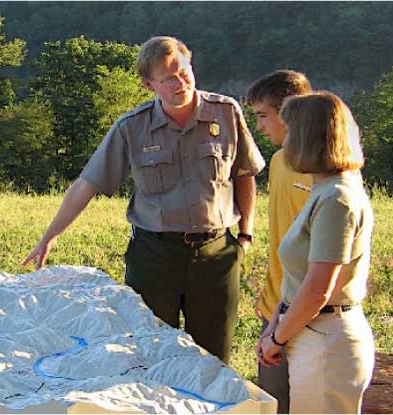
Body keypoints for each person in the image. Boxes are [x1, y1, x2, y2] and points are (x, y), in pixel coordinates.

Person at [23, 36, 265, 363]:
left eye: (184, 72)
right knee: (147, 355)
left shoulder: (225, 112)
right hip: (155, 258)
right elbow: (87, 184)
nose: (181, 83)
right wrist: (49, 236)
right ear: (149, 85)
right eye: (169, 79)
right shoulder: (132, 127)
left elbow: (245, 174)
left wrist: (246, 235)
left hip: (217, 256)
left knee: (213, 359)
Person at [257, 91, 375, 414]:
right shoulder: (324, 189)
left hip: (326, 342)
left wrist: (277, 338)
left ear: (308, 137)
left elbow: (318, 288)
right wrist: (275, 327)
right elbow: (300, 280)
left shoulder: (337, 198)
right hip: (311, 334)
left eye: (291, 131)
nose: (284, 140)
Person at [246, 70, 312, 413]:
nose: (259, 127)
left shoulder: (323, 169)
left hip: (309, 314)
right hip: (274, 309)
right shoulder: (277, 161)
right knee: (272, 404)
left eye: (262, 116)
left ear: (288, 111)